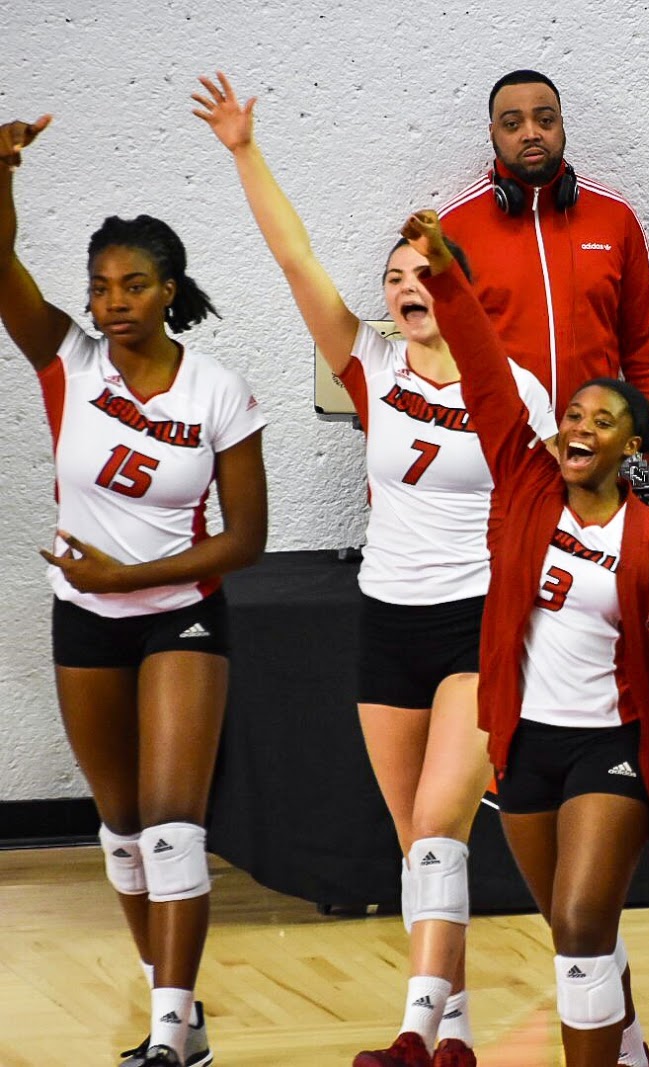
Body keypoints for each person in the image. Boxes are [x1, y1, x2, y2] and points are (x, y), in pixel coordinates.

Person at [193, 73, 556, 1067]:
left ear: (459, 285)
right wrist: (241, 150)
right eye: (395, 273)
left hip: (481, 621)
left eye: (423, 270)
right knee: (421, 846)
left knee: (442, 819)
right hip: (386, 623)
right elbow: (292, 254)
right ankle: (460, 1036)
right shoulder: (370, 366)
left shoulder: (512, 385)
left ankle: (409, 1028)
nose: (405, 284)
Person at [399, 208, 649, 1067]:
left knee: (581, 921)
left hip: (609, 750)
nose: (578, 427)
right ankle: (633, 1049)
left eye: (602, 420)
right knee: (579, 933)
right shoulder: (525, 480)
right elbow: (484, 374)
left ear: (632, 444)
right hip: (526, 744)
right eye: (573, 413)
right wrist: (444, 275)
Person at [0, 116, 268, 1067]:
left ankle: (166, 1034)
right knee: (119, 829)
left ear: (169, 291)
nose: (112, 302)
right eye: (100, 287)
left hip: (182, 617)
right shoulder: (66, 363)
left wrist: (131, 575)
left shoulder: (218, 392)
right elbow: (3, 265)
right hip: (85, 619)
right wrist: (1, 169)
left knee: (170, 819)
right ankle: (181, 1018)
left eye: (133, 284)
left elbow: (247, 539)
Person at [439, 69, 649, 453]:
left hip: (597, 460)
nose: (531, 132)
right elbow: (429, 358)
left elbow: (647, 346)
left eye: (545, 119)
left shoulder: (614, 217)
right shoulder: (451, 230)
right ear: (492, 134)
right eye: (513, 123)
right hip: (496, 463)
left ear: (562, 125)